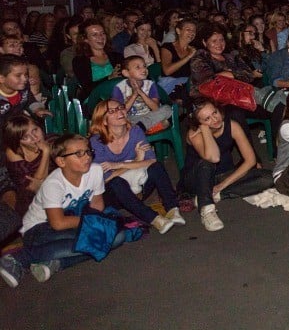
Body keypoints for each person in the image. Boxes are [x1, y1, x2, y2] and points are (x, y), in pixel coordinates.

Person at [0, 134, 126, 288]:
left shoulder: (95, 170)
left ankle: (58, 263)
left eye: (88, 151)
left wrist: (97, 223)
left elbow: (97, 202)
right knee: (93, 238)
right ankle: (20, 258)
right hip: (39, 229)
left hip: (73, 221)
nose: (86, 157)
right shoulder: (53, 184)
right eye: (78, 154)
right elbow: (58, 223)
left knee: (117, 236)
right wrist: (92, 224)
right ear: (61, 161)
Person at [88, 100, 184, 234]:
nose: (120, 111)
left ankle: (173, 209)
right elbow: (105, 178)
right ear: (104, 121)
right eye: (112, 111)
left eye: (121, 107)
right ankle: (153, 218)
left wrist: (120, 165)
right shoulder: (96, 142)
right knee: (116, 182)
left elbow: (151, 160)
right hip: (115, 195)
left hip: (138, 186)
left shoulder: (135, 131)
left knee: (156, 167)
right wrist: (137, 160)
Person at [182, 98, 275, 232]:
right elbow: (213, 158)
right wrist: (206, 131)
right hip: (197, 180)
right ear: (199, 123)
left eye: (214, 113)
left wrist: (222, 185)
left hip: (224, 175)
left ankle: (218, 195)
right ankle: (207, 209)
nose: (215, 119)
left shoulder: (232, 126)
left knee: (268, 177)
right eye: (207, 119)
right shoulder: (194, 134)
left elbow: (250, 160)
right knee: (205, 163)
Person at [2, 115, 53, 216]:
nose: (34, 138)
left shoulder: (53, 140)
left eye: (35, 130)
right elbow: (33, 186)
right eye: (25, 137)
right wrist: (46, 153)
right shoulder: (15, 152)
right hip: (29, 199)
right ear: (18, 141)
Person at [111, 56, 173, 134]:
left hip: (150, 116)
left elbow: (155, 108)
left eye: (144, 66)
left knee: (167, 109)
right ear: (126, 73)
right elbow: (120, 112)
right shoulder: (119, 88)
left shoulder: (150, 85)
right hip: (131, 119)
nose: (144, 69)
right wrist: (134, 95)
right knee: (165, 123)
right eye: (138, 67)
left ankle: (140, 129)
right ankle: (146, 130)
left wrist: (141, 93)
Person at [72, 19, 121, 98]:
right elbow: (87, 87)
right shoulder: (79, 61)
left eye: (102, 33)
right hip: (94, 99)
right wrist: (109, 78)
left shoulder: (117, 56)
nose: (101, 37)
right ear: (86, 39)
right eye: (95, 35)